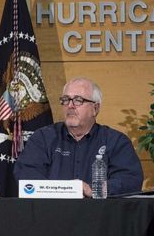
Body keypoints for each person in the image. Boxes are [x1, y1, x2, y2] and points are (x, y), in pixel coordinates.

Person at [14, 77, 143, 197]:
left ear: (95, 109)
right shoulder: (43, 138)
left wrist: (94, 190)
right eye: (66, 100)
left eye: (78, 100)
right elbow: (26, 174)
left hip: (100, 216)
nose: (70, 105)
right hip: (52, 214)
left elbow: (130, 180)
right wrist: (64, 190)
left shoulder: (116, 141)